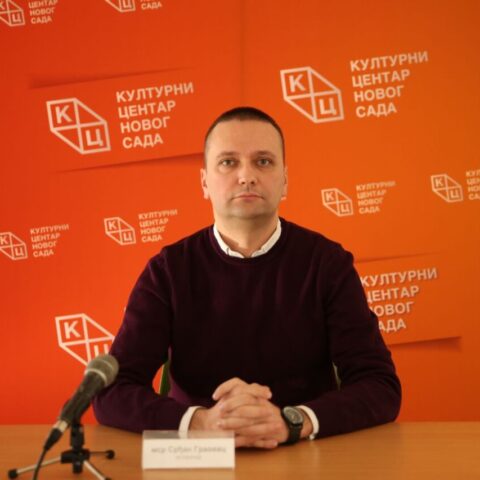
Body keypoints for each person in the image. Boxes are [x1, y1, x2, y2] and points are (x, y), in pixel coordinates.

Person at [93, 107, 401, 448]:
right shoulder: (168, 270)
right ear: (204, 182)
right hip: (199, 456)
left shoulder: (327, 264)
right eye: (228, 162)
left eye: (263, 162)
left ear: (285, 180)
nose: (246, 176)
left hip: (303, 453)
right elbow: (111, 390)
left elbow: (380, 385)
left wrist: (292, 421)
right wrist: (201, 422)